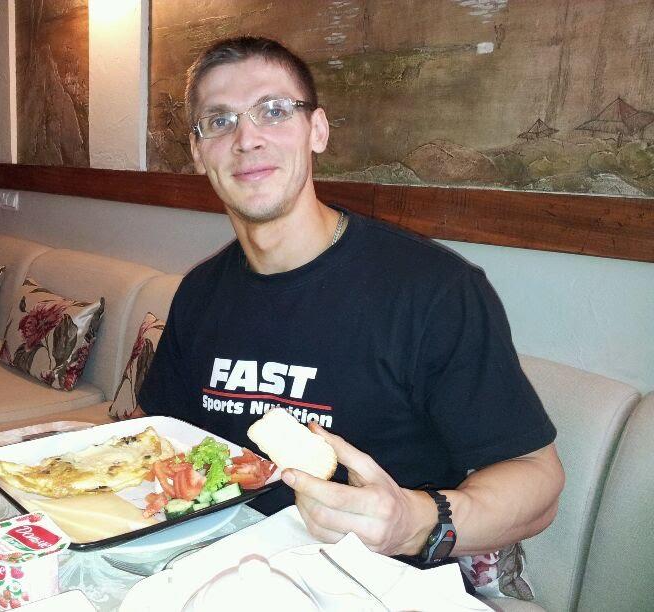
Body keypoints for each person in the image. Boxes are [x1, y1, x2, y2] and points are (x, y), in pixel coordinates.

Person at [131, 36, 564, 568]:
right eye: (219, 121)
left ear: (317, 130)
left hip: (371, 581)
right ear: (199, 152)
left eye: (274, 111)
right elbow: (156, 435)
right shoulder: (200, 292)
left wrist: (412, 522)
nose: (247, 138)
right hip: (213, 566)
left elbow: (538, 479)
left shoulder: (432, 290)